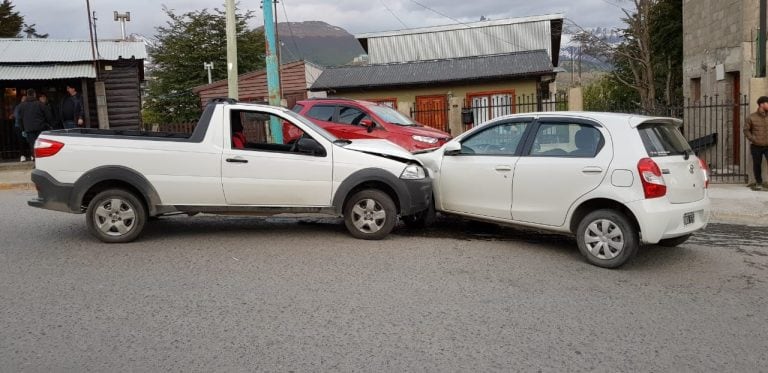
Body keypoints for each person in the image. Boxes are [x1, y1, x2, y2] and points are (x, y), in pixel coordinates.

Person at [17, 88, 54, 160]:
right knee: (41, 144)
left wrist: (23, 129)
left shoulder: (21, 106)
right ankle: (42, 160)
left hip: (29, 129)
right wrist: (50, 125)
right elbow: (48, 116)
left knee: (32, 145)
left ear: (27, 95)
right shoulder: (40, 104)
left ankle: (35, 160)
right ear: (34, 94)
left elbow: (19, 119)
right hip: (40, 128)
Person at [745, 96, 768, 191]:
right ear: (761, 104)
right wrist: (752, 139)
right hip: (756, 145)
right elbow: (746, 130)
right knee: (757, 164)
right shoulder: (751, 117)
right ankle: (758, 182)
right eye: (767, 103)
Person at [11, 95, 31, 162]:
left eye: (26, 99)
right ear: (21, 100)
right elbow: (17, 116)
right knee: (21, 142)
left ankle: (32, 155)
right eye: (23, 99)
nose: (25, 100)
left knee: (29, 141)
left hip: (28, 126)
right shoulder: (18, 107)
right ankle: (23, 155)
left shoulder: (29, 106)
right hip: (19, 127)